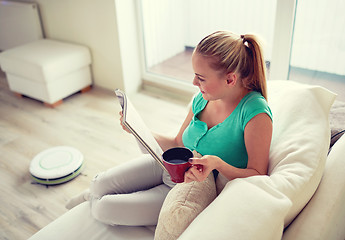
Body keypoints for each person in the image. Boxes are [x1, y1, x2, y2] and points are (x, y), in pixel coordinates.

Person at [66, 30, 273, 226]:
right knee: (99, 184)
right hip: (169, 164)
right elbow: (177, 143)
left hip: (189, 188)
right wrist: (138, 130)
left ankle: (91, 201)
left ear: (230, 79)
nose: (194, 82)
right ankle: (91, 195)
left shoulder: (255, 113)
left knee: (104, 209)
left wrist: (218, 164)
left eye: (201, 78)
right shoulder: (202, 99)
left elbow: (258, 175)